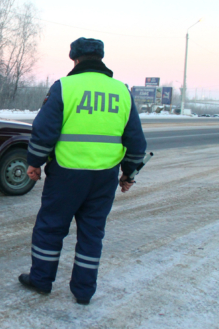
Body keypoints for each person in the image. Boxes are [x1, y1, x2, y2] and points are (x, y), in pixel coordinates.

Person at [18, 37, 147, 305]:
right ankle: (84, 291)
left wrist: (34, 162)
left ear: (75, 59)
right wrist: (129, 174)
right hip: (104, 176)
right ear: (100, 58)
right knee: (92, 233)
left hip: (66, 173)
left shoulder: (65, 86)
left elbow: (44, 131)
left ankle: (41, 280)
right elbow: (136, 141)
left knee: (51, 228)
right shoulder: (121, 91)